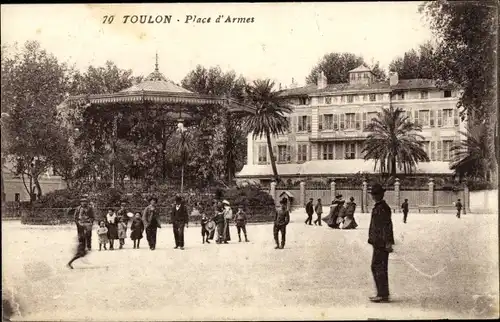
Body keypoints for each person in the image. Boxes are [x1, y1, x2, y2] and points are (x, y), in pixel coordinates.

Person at [367, 183, 394, 303]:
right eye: (373, 194)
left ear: (380, 195)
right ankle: (382, 294)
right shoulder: (380, 207)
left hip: (381, 242)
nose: (373, 196)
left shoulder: (382, 208)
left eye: (375, 194)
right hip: (378, 242)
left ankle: (382, 294)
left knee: (378, 267)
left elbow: (387, 226)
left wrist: (388, 242)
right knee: (378, 267)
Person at [67, 197, 95, 269]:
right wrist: (77, 222)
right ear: (80, 202)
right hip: (80, 223)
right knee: (81, 236)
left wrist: (91, 222)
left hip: (87, 223)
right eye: (82, 202)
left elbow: (92, 216)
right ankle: (82, 245)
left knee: (88, 234)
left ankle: (88, 245)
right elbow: (75, 217)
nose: (84, 203)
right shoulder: (78, 208)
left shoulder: (89, 208)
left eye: (85, 202)